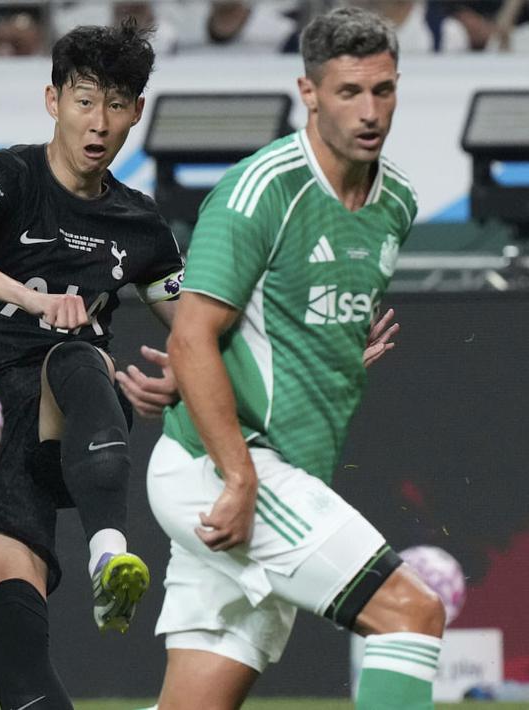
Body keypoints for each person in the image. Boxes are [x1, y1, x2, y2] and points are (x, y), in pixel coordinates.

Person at [146, 8, 445, 709]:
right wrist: (241, 478)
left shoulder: (394, 201)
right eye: (347, 92)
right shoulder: (260, 190)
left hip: (259, 471)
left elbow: (277, 325)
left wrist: (333, 350)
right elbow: (189, 337)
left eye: (383, 90)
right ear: (308, 92)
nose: (369, 112)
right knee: (411, 614)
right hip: (223, 469)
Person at [0, 22, 184, 707]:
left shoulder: (140, 223)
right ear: (53, 101)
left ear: (136, 113)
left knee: (77, 355)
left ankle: (107, 552)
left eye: (117, 104)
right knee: (15, 638)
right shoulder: (6, 174)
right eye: (84, 100)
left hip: (73, 416)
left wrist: (308, 347)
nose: (98, 122)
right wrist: (30, 299)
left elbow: (201, 332)